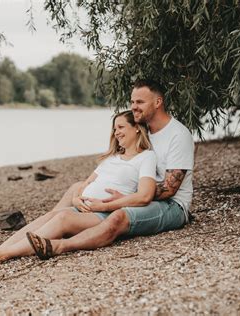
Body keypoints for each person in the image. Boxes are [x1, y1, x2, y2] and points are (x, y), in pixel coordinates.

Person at [25, 79, 195, 258]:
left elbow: (169, 189)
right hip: (139, 196)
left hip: (172, 206)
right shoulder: (146, 132)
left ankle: (60, 246)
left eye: (140, 102)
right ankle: (32, 235)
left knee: (118, 216)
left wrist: (127, 198)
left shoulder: (178, 135)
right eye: (132, 101)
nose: (134, 106)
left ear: (158, 102)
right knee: (76, 188)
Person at [0, 110, 157, 268]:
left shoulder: (145, 157)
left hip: (104, 214)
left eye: (121, 127)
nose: (116, 132)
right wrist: (75, 199)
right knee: (51, 215)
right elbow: (85, 184)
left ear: (137, 129)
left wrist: (109, 204)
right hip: (83, 208)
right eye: (115, 129)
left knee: (62, 218)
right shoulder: (112, 159)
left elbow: (144, 195)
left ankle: (5, 255)